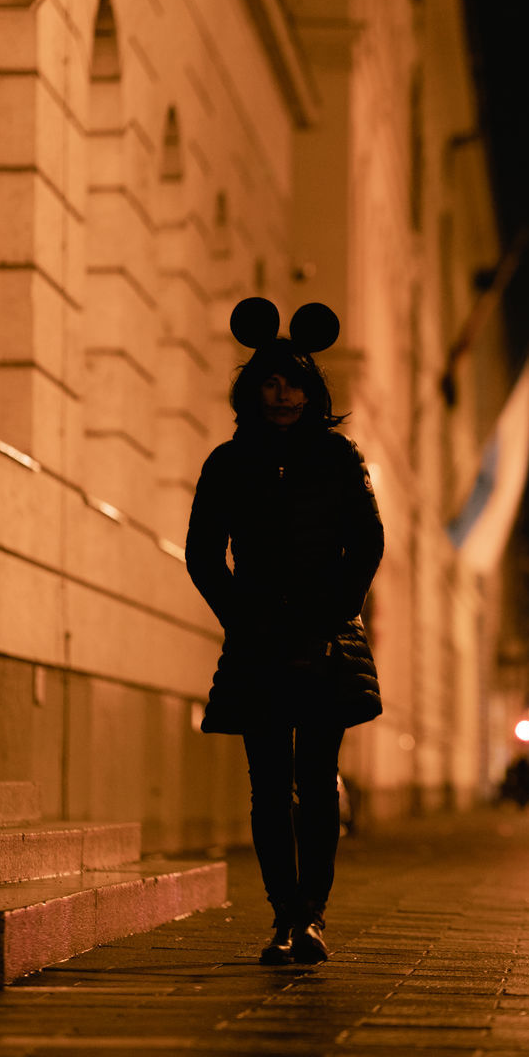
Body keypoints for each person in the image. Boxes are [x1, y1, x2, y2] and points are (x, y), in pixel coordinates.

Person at [185, 297, 384, 965]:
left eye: (294, 382)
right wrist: (240, 616)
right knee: (269, 786)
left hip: (324, 640)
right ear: (251, 390)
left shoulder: (337, 457)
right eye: (269, 382)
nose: (282, 394)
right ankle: (283, 916)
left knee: (317, 778)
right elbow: (203, 555)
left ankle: (313, 917)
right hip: (258, 640)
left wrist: (335, 612)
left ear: (312, 391)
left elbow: (367, 543)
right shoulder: (227, 462)